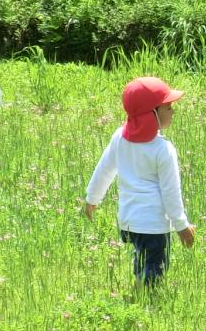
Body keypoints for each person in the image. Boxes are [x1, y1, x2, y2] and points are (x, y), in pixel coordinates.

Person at [84, 76, 196, 286]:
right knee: (153, 273)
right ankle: (146, 303)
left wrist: (92, 198)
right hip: (154, 225)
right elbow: (171, 193)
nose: (173, 111)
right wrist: (182, 226)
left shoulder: (120, 137)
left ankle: (139, 291)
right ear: (152, 113)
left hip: (129, 221)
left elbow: (104, 170)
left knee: (142, 261)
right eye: (168, 106)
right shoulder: (163, 150)